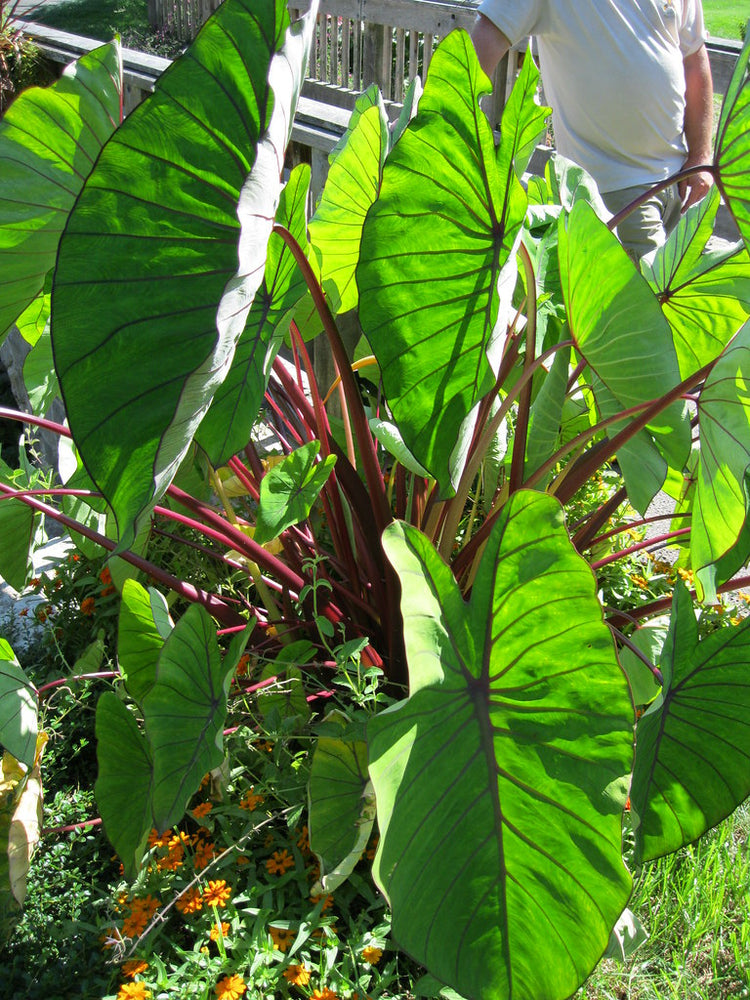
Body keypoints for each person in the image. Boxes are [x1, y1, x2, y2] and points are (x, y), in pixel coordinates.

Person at [471, 0, 714, 258]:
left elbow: (694, 58)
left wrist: (700, 155)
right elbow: (486, 38)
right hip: (614, 194)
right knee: (649, 296)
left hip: (679, 183)